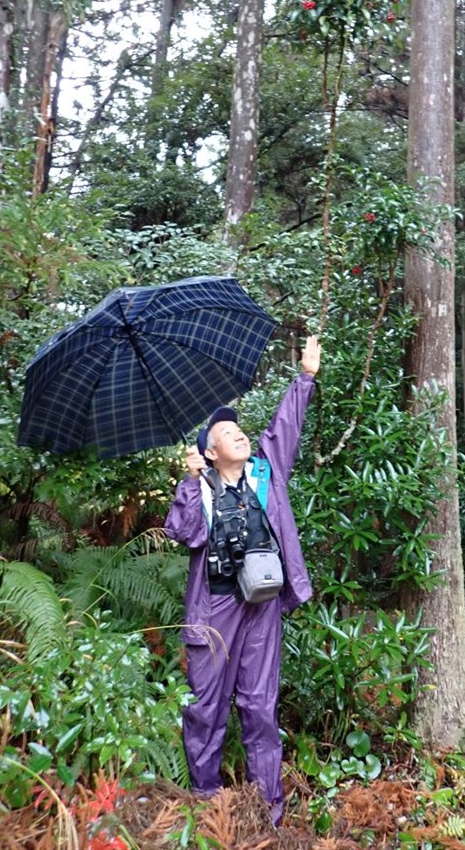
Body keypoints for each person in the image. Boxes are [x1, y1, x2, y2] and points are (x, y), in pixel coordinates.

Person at [164, 334, 321, 824]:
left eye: (239, 430)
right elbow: (183, 533)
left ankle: (268, 810)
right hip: (215, 607)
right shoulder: (200, 489)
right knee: (207, 706)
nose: (239, 435)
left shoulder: (265, 473)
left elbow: (284, 426)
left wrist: (306, 377)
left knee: (259, 706)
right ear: (210, 452)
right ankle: (207, 803)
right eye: (228, 433)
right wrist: (191, 483)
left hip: (263, 605)